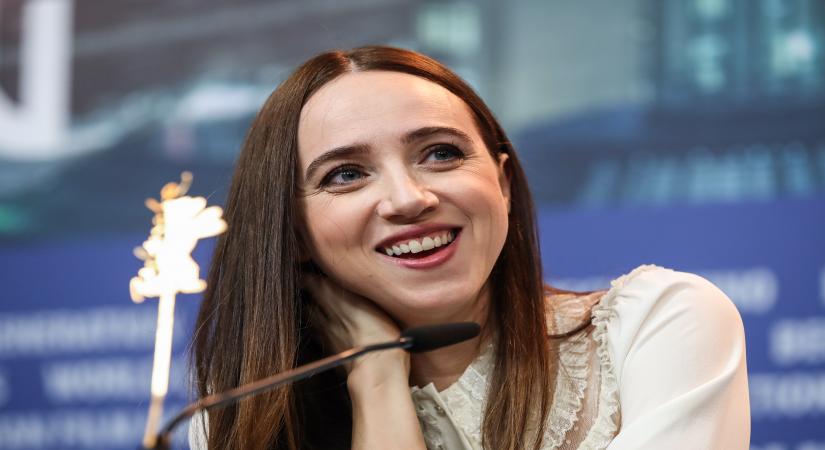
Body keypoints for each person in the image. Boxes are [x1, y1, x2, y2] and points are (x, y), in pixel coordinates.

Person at [189, 46, 750, 450]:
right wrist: (376, 376)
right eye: (346, 174)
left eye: (440, 153)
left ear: (503, 185)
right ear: (294, 235)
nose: (408, 199)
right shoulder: (244, 417)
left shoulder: (658, 324)